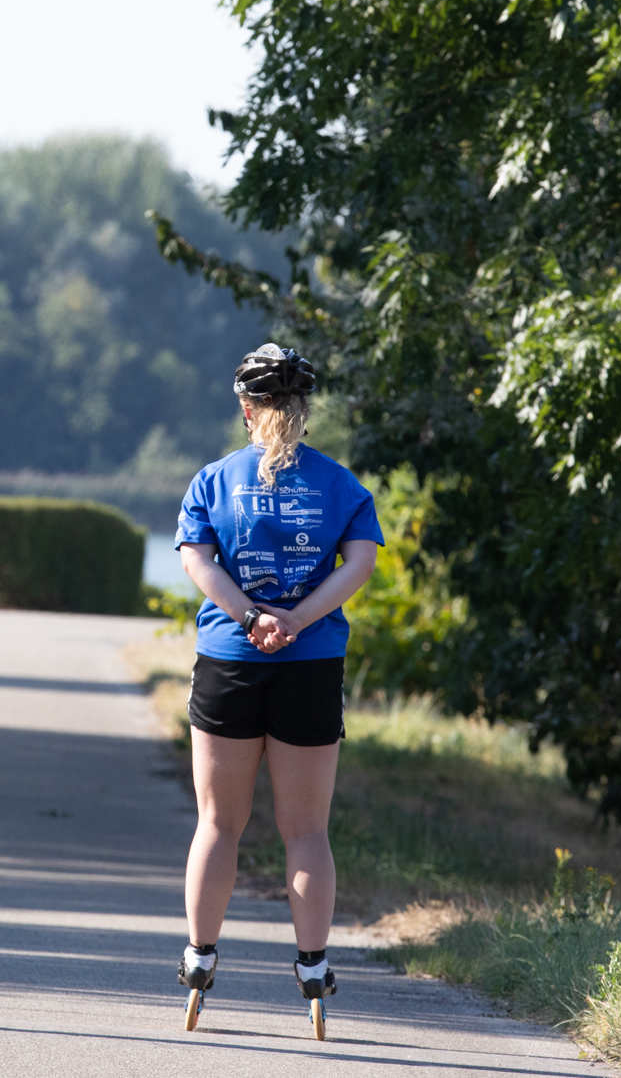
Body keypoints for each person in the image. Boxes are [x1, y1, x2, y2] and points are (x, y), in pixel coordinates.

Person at [171, 344, 382, 1039]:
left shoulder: (213, 479)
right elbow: (360, 563)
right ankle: (314, 968)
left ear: (246, 407)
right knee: (307, 830)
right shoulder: (340, 484)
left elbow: (197, 561)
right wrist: (296, 619)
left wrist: (249, 617)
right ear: (305, 407)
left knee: (217, 823)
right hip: (310, 660)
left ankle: (200, 958)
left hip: (229, 658)